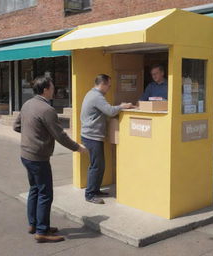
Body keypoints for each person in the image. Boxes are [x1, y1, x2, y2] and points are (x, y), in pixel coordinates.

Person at [13, 76, 87, 243]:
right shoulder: (47, 110)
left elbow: (16, 126)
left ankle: (33, 224)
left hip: (25, 154)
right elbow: (60, 135)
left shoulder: (27, 104)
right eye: (52, 87)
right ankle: (42, 231)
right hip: (38, 158)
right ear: (45, 89)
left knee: (35, 189)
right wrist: (78, 147)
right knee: (45, 193)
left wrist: (31, 135)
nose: (54, 89)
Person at [81, 74, 132, 204]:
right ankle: (90, 194)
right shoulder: (97, 96)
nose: (109, 88)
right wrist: (122, 106)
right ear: (102, 84)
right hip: (92, 136)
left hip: (91, 135)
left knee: (99, 165)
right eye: (108, 85)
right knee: (96, 166)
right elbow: (110, 111)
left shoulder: (91, 94)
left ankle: (95, 190)